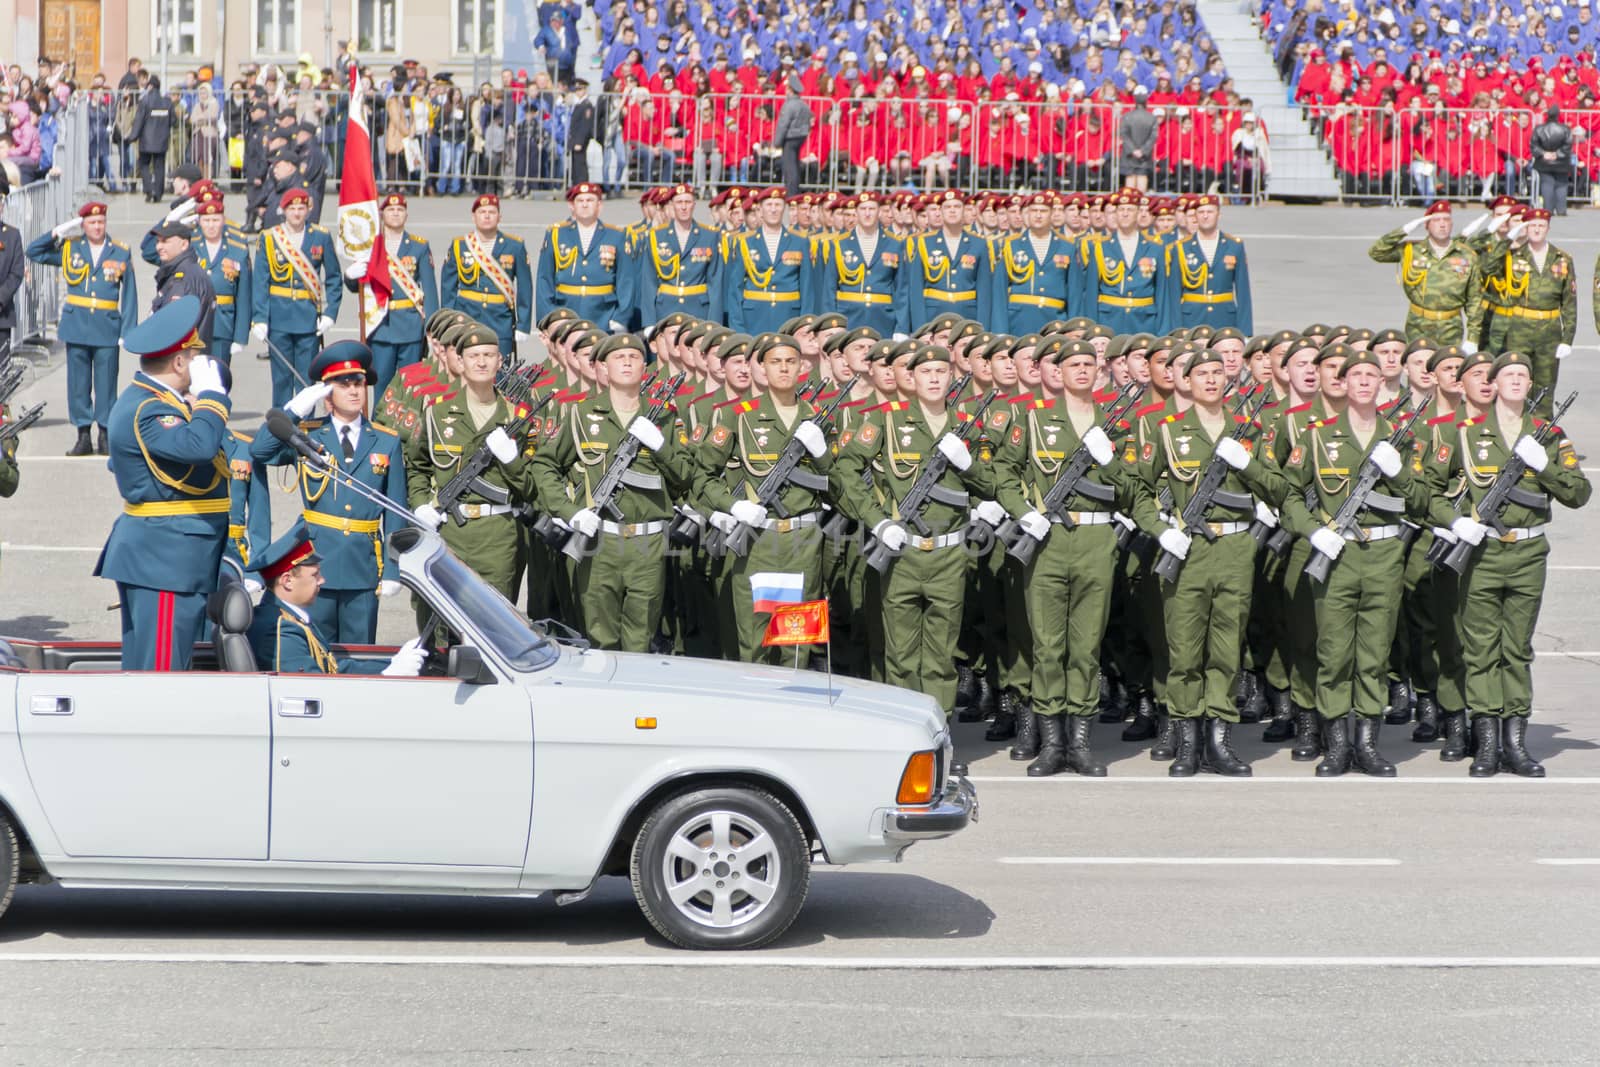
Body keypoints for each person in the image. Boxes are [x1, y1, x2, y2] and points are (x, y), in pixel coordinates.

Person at [1421, 350, 1590, 776]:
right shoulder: (1464, 433)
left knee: (1516, 649)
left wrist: (1545, 466)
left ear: (1530, 386)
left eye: (1522, 375)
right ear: (1493, 384)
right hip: (1482, 552)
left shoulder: (1548, 434)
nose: (1515, 380)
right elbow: (1426, 492)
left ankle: (1515, 743)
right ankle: (1486, 744)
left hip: (1529, 553)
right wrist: (1457, 522)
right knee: (1480, 650)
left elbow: (1578, 492)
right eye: (1507, 374)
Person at [1127, 345, 1286, 777]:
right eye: (1202, 374)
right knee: (1184, 650)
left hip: (1235, 549)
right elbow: (1137, 490)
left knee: (1226, 649)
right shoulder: (1165, 429)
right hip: (1187, 549)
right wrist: (1162, 531)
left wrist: (1249, 465)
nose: (1212, 380)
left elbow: (1279, 489)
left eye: (1218, 372)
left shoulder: (1247, 430)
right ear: (1187, 381)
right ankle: (1187, 741)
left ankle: (1219, 740)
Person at [1280, 347, 1430, 776]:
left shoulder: (1400, 436)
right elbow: (1289, 494)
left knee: (1374, 653)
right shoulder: (1317, 435)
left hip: (1383, 556)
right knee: (1333, 653)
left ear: (1382, 384)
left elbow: (1420, 501)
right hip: (1336, 554)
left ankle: (1366, 744)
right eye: (1355, 376)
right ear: (1342, 385)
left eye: (1371, 375)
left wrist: (1399, 470)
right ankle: (1337, 745)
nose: (1364, 381)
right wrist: (1313, 530)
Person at [831, 344, 997, 717]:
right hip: (902, 551)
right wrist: (877, 520)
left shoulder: (967, 424)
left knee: (940, 657)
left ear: (952, 376)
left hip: (949, 553)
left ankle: (941, 739)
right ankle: (907, 737)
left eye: (941, 371)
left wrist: (968, 464)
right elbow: (847, 470)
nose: (935, 378)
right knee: (902, 655)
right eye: (926, 372)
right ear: (913, 377)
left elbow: (990, 486)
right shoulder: (888, 420)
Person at [993, 338, 1133, 777]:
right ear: (1058, 370)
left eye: (1089, 364)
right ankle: (1052, 742)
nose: (1082, 371)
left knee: (1086, 646)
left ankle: (1080, 742)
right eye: (1073, 364)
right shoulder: (1034, 420)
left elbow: (1130, 487)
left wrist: (1109, 461)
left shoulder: (1112, 420)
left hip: (1094, 539)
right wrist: (1023, 513)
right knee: (1049, 645)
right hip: (1048, 540)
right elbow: (1002, 472)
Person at [530, 332, 699, 652]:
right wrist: (571, 512)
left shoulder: (663, 416)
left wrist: (660, 446)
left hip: (647, 544)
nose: (626, 362)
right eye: (618, 358)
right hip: (600, 542)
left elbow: (686, 478)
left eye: (634, 357)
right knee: (599, 640)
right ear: (603, 368)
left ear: (644, 367)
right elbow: (544, 466)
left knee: (640, 640)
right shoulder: (582, 415)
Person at [94, 296, 232, 671]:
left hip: (168, 558)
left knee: (151, 668)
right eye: (192, 356)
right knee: (161, 673)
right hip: (164, 559)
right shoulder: (150, 408)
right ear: (178, 361)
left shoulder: (151, 401)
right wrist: (213, 397)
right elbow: (200, 446)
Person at [254, 342, 408, 645]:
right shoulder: (307, 434)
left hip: (363, 566)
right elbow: (260, 451)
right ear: (327, 396)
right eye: (344, 384)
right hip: (316, 563)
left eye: (359, 384)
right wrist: (293, 411)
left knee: (359, 652)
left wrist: (393, 568)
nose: (354, 391)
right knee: (315, 647)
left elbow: (395, 510)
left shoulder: (386, 441)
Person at [692, 332, 833, 661]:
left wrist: (823, 454)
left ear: (802, 367)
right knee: (755, 643)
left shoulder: (818, 417)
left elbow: (841, 487)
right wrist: (733, 505)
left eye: (790, 362)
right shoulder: (739, 414)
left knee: (796, 644)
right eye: (775, 362)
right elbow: (701, 476)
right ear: (762, 369)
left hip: (803, 542)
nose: (784, 369)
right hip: (758, 542)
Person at [406, 323, 540, 606]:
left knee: (495, 621)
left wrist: (511, 460)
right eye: (474, 355)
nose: (481, 362)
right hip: (448, 531)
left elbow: (531, 487)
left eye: (489, 355)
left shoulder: (517, 416)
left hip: (497, 535)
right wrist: (420, 504)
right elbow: (416, 466)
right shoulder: (436, 412)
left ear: (500, 361)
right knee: (444, 625)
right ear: (460, 362)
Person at [25, 202, 138, 456]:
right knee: (78, 383)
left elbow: (130, 294)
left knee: (107, 383)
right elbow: (34, 252)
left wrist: (127, 331)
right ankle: (83, 435)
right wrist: (59, 231)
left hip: (107, 326)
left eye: (101, 222)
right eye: (91, 223)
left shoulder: (120, 251)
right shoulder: (71, 248)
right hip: (77, 325)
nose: (97, 227)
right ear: (83, 224)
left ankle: (105, 435)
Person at [244, 520, 426, 677]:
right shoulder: (279, 632)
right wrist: (388, 676)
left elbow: (333, 666)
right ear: (287, 581)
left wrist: (391, 664)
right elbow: (313, 687)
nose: (322, 580)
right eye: (315, 575)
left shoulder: (290, 618)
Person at [250, 188, 341, 408]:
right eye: (292, 208)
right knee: (281, 379)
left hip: (308, 318)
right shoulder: (270, 238)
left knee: (306, 380)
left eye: (302, 208)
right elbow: (260, 281)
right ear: (284, 210)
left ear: (308, 210)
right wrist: (259, 318)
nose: (297, 213)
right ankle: (281, 430)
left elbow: (334, 278)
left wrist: (330, 313)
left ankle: (306, 431)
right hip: (278, 317)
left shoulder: (320, 236)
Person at [1481, 208, 1576, 418]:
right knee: (1516, 381)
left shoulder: (1562, 259)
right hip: (1520, 328)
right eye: (1532, 225)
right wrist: (1508, 239)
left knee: (1545, 385)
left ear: (1548, 228)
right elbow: (1487, 267)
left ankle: (1542, 432)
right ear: (1525, 227)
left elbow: (1569, 303)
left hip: (1550, 330)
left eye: (1541, 225)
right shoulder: (1513, 256)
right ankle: (1514, 426)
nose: (1536, 229)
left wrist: (1567, 339)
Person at [348, 192, 438, 402]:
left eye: (400, 210)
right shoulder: (370, 247)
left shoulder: (419, 246)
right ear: (382, 214)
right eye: (391, 210)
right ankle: (380, 431)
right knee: (382, 387)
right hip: (381, 325)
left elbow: (430, 292)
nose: (396, 214)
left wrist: (432, 330)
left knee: (411, 388)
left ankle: (407, 432)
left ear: (406, 215)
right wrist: (350, 276)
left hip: (410, 325)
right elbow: (358, 286)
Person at [1367, 200, 1483, 346]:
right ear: (1426, 225)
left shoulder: (1466, 255)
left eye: (1446, 220)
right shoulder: (1411, 250)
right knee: (1417, 365)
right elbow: (1376, 252)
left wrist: (1473, 338)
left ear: (1452, 224)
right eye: (1436, 220)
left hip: (1450, 326)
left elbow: (1475, 299)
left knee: (1447, 365)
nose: (1442, 224)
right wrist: (1404, 230)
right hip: (1418, 325)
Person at [442, 194, 534, 359]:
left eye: (491, 212)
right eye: (482, 212)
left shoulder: (515, 245)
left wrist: (523, 325)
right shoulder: (460, 245)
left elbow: (525, 287)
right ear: (473, 216)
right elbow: (447, 288)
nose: (486, 216)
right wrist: (449, 322)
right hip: (467, 317)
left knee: (500, 375)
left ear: (499, 217)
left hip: (500, 319)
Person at [535, 183, 634, 332]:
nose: (585, 205)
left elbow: (626, 280)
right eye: (580, 201)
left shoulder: (617, 235)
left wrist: (621, 317)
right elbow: (544, 279)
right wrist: (548, 317)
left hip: (604, 315)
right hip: (566, 313)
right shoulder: (556, 234)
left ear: (599, 205)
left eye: (590, 200)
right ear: (572, 206)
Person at [1078, 188, 1175, 334]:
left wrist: (1163, 333)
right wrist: (1092, 331)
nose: (1125, 213)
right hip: (1109, 321)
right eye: (1121, 209)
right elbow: (1091, 293)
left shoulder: (1156, 248)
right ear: (1115, 213)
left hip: (1144, 322)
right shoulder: (1100, 248)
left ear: (1138, 213)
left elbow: (1162, 295)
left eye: (1130, 209)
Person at [724, 187, 813, 335]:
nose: (773, 210)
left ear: (784, 208)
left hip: (789, 319)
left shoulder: (800, 242)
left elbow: (807, 290)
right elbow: (735, 290)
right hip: (753, 320)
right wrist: (737, 329)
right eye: (769, 205)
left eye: (777, 205)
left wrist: (803, 328)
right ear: (759, 210)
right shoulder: (745, 242)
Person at [902, 191, 993, 331]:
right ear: (940, 212)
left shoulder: (978, 244)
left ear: (964, 211)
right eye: (947, 207)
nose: (952, 211)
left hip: (967, 318)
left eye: (957, 207)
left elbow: (984, 292)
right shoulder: (924, 243)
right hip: (933, 318)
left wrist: (981, 329)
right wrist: (920, 329)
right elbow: (916, 291)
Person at [990, 193, 1079, 334]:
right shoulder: (1010, 246)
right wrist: (1000, 332)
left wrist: (1074, 331)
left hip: (1054, 323)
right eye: (1034, 211)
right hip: (1018, 322)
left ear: (1051, 214)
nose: (1038, 215)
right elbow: (999, 293)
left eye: (1043, 211)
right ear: (1026, 214)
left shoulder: (1067, 247)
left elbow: (1074, 295)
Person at [638, 184, 722, 327]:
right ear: (671, 205)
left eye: (688, 202)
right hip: (665, 310)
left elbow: (715, 283)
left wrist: (713, 323)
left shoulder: (709, 236)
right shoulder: (656, 236)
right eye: (679, 202)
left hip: (698, 311)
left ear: (694, 205)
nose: (683, 207)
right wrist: (649, 322)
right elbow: (648, 282)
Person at [1169, 194, 1252, 333]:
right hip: (1191, 319)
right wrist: (1176, 330)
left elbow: (1243, 292)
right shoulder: (1181, 247)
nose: (1205, 216)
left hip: (1224, 318)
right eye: (1201, 212)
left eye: (1210, 212)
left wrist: (1245, 332)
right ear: (1195, 216)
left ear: (1218, 215)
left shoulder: (1234, 245)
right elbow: (1174, 294)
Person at [129, 74, 174, 202]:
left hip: (146, 140)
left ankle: (149, 189)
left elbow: (139, 120)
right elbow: (173, 121)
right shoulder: (167, 102)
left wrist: (133, 136)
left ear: (150, 86)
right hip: (162, 140)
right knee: (159, 167)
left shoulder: (145, 101)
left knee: (143, 165)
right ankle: (158, 193)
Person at [1530, 105, 1572, 217]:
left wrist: (1544, 154)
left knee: (1547, 183)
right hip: (1561, 161)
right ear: (1558, 115)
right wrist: (1557, 154)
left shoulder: (1538, 129)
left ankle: (1548, 209)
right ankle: (1561, 209)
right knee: (1561, 185)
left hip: (1544, 161)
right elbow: (1568, 145)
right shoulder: (1565, 129)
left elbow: (1533, 145)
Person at [775, 76, 812, 197]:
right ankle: (794, 190)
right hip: (801, 137)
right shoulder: (804, 105)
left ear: (790, 90)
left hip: (790, 138)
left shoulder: (789, 105)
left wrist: (777, 142)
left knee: (789, 166)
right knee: (795, 164)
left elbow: (783, 124)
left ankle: (791, 193)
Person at [1117, 86, 1157, 193]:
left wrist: (1133, 149)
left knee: (1130, 180)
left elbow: (1124, 134)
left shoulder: (1127, 116)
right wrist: (1143, 151)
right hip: (1144, 156)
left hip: (1129, 154)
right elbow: (1153, 137)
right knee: (1142, 178)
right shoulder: (1152, 118)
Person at [567, 79, 595, 184]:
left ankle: (582, 184)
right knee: (575, 164)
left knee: (580, 164)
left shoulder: (587, 105)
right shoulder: (578, 104)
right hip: (574, 138)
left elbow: (585, 126)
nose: (578, 92)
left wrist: (579, 141)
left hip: (580, 140)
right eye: (577, 90)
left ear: (585, 90)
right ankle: (576, 184)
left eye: (580, 89)